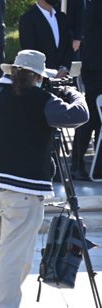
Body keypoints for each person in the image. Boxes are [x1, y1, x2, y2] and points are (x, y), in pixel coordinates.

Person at [0, 50, 88, 308]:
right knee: (14, 255)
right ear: (36, 76)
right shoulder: (39, 98)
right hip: (22, 188)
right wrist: (73, 92)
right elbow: (78, 115)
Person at [72, 0, 101, 180]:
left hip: (96, 66)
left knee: (96, 119)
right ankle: (76, 164)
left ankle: (97, 166)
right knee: (90, 117)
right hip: (96, 69)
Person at [20, 0, 74, 78]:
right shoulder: (27, 19)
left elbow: (69, 46)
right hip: (40, 77)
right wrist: (52, 73)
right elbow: (30, 50)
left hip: (63, 77)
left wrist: (63, 68)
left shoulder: (62, 17)